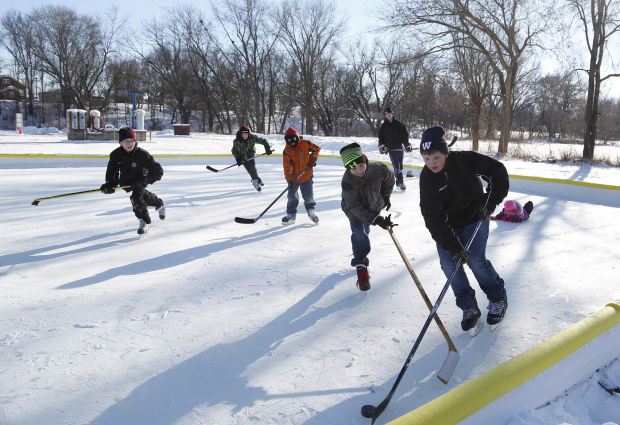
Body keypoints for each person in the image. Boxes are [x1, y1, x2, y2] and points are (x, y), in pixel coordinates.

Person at [418, 126, 509, 330]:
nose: (432, 163)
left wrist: (490, 201)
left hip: (475, 217)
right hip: (448, 226)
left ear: (445, 153)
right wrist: (452, 246)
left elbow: (498, 172)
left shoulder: (464, 160)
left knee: (476, 260)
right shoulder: (427, 179)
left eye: (436, 157)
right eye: (426, 158)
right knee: (449, 264)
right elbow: (432, 217)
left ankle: (497, 297)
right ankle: (469, 307)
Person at [340, 142, 395, 291]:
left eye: (360, 165)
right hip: (354, 212)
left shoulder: (379, 169)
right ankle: (361, 266)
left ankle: (360, 251)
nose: (358, 170)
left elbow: (389, 179)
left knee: (365, 231)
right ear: (348, 168)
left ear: (365, 159)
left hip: (374, 206)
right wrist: (375, 219)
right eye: (353, 167)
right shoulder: (347, 182)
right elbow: (354, 206)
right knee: (360, 233)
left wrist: (386, 196)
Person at [100, 127, 165, 235]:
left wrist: (145, 180)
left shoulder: (142, 154)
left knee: (136, 198)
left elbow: (158, 171)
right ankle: (159, 203)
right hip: (126, 181)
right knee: (142, 196)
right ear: (121, 143)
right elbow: (112, 172)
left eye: (131, 141)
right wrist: (109, 185)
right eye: (126, 141)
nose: (129, 144)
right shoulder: (115, 155)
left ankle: (143, 221)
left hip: (140, 179)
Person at [281, 127, 320, 225]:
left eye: (294, 138)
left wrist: (312, 159)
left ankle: (310, 211)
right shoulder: (286, 151)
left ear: (297, 137)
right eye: (289, 139)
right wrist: (289, 180)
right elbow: (287, 167)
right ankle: (291, 214)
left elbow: (316, 149)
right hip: (293, 178)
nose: (292, 141)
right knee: (291, 197)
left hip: (306, 175)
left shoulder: (305, 144)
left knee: (308, 196)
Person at [378, 106, 412, 191]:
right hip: (391, 149)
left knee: (400, 166)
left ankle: (398, 182)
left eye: (390, 114)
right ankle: (401, 183)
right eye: (387, 114)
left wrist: (407, 145)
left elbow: (404, 135)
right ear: (385, 115)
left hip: (399, 148)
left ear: (393, 114)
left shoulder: (398, 124)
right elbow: (381, 139)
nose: (389, 115)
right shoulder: (383, 126)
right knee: (396, 166)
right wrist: (383, 147)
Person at [231, 125, 273, 191]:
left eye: (246, 134)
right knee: (250, 170)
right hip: (242, 157)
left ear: (248, 133)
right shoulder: (237, 141)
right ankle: (257, 179)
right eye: (243, 134)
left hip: (250, 155)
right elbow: (234, 150)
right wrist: (238, 158)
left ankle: (255, 182)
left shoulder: (252, 138)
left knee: (253, 168)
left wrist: (267, 148)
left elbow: (264, 141)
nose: (245, 135)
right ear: (240, 134)